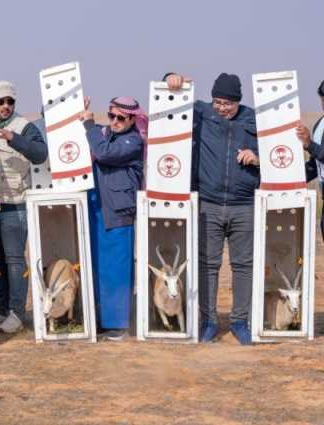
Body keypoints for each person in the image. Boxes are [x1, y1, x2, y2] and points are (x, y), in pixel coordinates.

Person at [166, 72, 259, 345]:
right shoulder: (202, 113)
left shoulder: (254, 118)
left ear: (238, 101)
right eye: (217, 101)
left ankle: (240, 321)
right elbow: (171, 98)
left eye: (226, 103)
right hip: (208, 202)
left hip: (244, 204)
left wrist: (257, 158)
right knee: (208, 264)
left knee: (243, 265)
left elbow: (278, 150)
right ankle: (208, 321)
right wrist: (170, 77)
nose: (221, 108)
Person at [0, 81, 48, 333]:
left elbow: (40, 153)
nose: (6, 106)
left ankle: (17, 312)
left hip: (15, 202)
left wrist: (13, 139)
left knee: (15, 260)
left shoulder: (23, 126)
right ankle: (0, 308)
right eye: (1, 101)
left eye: (10, 102)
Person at [79, 97, 145, 341]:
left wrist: (89, 125)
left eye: (121, 118)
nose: (115, 122)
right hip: (96, 207)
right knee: (96, 265)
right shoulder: (106, 134)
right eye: (111, 116)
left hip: (117, 210)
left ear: (132, 119)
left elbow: (103, 152)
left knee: (117, 266)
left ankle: (117, 323)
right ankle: (98, 318)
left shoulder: (133, 142)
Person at [297, 80, 324, 240]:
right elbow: (316, 164)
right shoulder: (320, 124)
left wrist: (309, 145)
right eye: (322, 99)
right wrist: (292, 177)